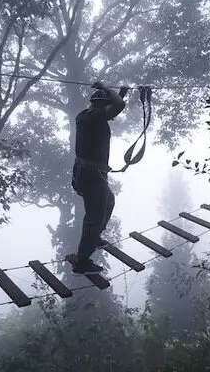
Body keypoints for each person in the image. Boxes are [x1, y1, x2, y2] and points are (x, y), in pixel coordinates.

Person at [64, 81, 128, 275]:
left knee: (108, 202)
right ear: (101, 105)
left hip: (89, 174)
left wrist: (120, 93)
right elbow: (118, 106)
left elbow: (115, 105)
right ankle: (82, 261)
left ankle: (95, 237)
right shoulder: (95, 118)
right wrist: (106, 86)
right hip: (92, 176)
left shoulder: (86, 116)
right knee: (94, 218)